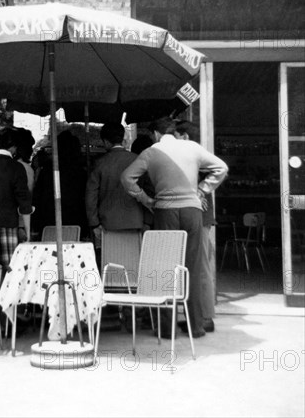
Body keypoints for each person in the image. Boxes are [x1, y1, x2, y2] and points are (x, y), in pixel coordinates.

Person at [121, 116, 228, 338]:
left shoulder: (152, 152)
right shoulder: (192, 146)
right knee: (194, 267)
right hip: (192, 211)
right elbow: (221, 167)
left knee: (165, 269)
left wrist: (145, 199)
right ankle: (195, 326)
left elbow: (127, 178)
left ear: (156, 134)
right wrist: (201, 189)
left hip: (165, 211)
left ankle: (167, 329)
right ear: (172, 131)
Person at [174, 119, 216, 333]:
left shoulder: (195, 154)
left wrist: (199, 191)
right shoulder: (196, 154)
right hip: (197, 215)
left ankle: (206, 317)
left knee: (200, 269)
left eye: (176, 136)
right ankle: (199, 316)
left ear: (185, 137)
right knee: (197, 267)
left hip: (200, 217)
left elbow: (216, 171)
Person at [0, 126, 34, 268]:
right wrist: (27, 233)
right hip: (8, 226)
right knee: (9, 272)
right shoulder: (17, 167)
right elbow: (24, 204)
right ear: (14, 147)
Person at [85, 122, 145, 250]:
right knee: (133, 261)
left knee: (111, 262)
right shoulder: (138, 160)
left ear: (106, 141)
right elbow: (148, 189)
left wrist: (94, 223)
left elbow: (91, 195)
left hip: (108, 223)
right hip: (136, 221)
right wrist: (148, 221)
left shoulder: (99, 163)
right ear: (123, 138)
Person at [33, 130, 88, 237]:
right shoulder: (80, 171)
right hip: (75, 219)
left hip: (49, 220)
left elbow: (38, 195)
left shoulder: (48, 169)